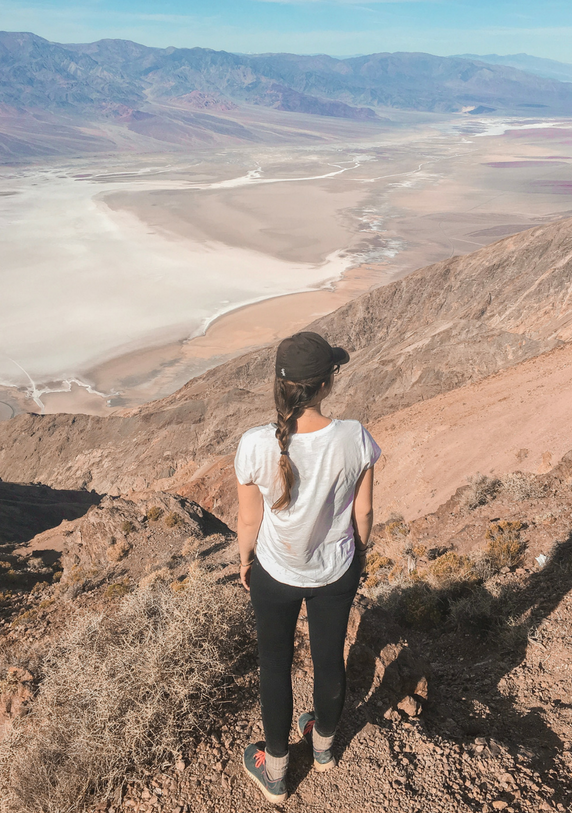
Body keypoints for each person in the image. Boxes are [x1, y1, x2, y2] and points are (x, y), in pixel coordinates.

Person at [234, 331, 381, 804]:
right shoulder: (354, 436)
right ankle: (323, 749)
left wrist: (245, 560)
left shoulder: (256, 444)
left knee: (274, 666)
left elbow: (248, 518)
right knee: (328, 660)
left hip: (275, 573)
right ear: (326, 385)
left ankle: (274, 769)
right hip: (335, 572)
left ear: (281, 387)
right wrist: (359, 553)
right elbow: (364, 513)